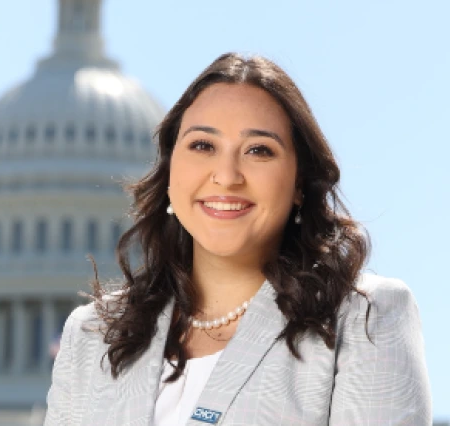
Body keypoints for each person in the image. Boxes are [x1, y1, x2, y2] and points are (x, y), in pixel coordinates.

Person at [44, 53, 431, 425]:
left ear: (299, 182)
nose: (226, 176)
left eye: (259, 150)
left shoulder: (365, 317)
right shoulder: (92, 334)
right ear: (169, 170)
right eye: (202, 146)